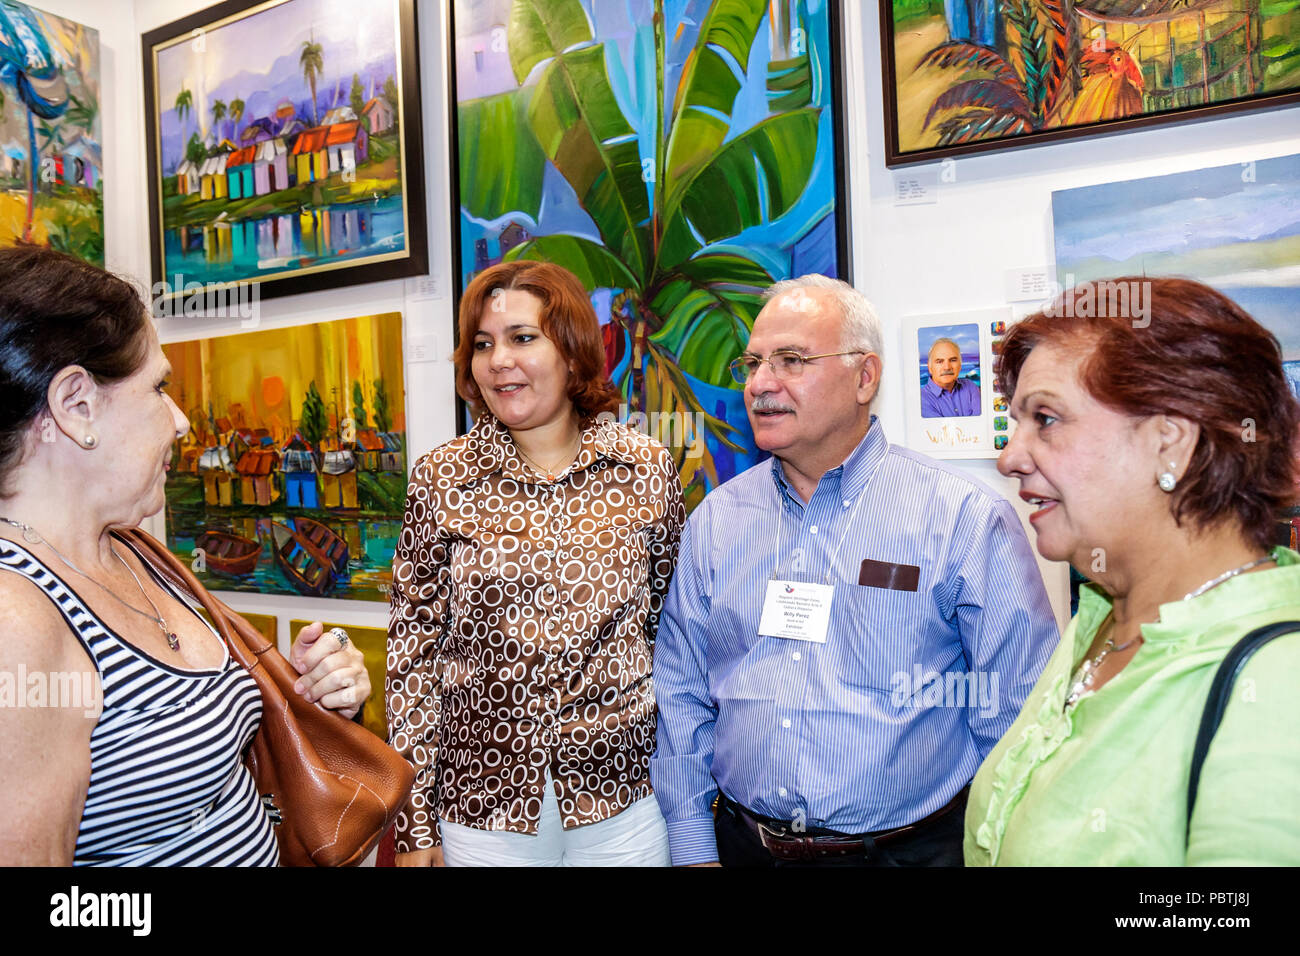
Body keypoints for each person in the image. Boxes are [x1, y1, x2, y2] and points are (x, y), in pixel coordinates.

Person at [650, 275, 1058, 867]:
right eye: (754, 363)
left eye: (790, 360)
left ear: (865, 377)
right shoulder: (716, 521)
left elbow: (1016, 715)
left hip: (906, 854)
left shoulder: (963, 519)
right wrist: (692, 844)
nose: (761, 384)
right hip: (744, 849)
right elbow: (683, 691)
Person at [0, 245, 370, 866]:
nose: (179, 421)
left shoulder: (132, 551)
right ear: (75, 405)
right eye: (158, 388)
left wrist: (312, 695)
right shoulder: (17, 624)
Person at [965, 277, 1300, 865]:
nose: (1009, 457)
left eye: (1045, 418)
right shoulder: (1100, 617)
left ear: (1169, 442)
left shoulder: (1279, 685)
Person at [387, 260, 685, 867]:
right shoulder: (443, 478)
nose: (499, 360)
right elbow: (413, 656)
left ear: (573, 352)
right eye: (483, 344)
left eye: (523, 338)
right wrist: (414, 825)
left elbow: (669, 632)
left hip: (621, 800)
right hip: (484, 808)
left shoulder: (645, 468)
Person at [921, 337, 981, 418]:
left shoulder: (970, 387)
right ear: (929, 367)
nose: (947, 367)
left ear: (960, 365)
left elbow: (981, 424)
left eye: (953, 360)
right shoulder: (921, 399)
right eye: (939, 361)